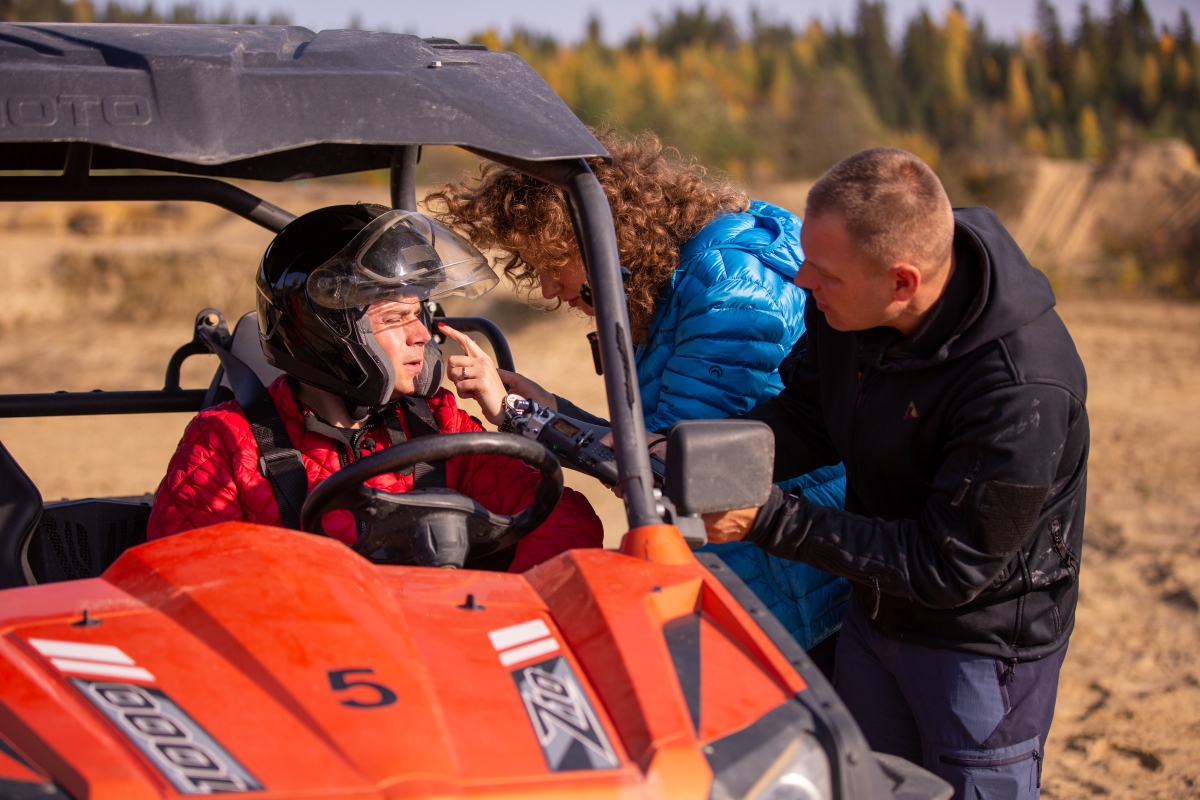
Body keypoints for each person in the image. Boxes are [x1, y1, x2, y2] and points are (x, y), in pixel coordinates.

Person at [703, 148, 1088, 799]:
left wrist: (769, 521)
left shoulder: (1021, 387)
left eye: (823, 272)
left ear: (902, 282)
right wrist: (692, 455)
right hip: (875, 614)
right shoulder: (849, 310)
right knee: (863, 787)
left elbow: (949, 566)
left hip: (979, 651)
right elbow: (805, 415)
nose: (800, 280)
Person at [428, 130, 849, 664]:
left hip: (798, 592)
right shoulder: (681, 282)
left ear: (605, 238)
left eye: (550, 262)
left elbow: (669, 473)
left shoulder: (729, 289)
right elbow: (648, 443)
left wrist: (524, 415)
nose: (549, 288)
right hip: (760, 577)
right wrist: (541, 408)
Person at [147, 204, 603, 573]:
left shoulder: (437, 424)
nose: (423, 335)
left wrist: (508, 615)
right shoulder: (227, 442)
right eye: (394, 319)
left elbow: (560, 516)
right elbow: (180, 579)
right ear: (326, 336)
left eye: (419, 314)